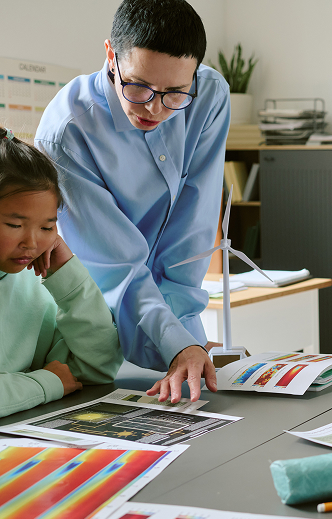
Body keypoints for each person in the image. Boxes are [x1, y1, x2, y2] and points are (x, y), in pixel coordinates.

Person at [35, 0, 230, 403]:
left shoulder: (208, 96)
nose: (155, 108)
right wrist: (174, 341)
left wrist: (184, 340)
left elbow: (192, 230)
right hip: (100, 324)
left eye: (176, 92)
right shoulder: (67, 131)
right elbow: (115, 267)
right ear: (110, 55)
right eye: (139, 86)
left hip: (176, 316)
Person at [0, 127, 122, 417]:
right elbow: (58, 378)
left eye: (46, 227)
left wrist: (68, 274)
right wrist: (46, 383)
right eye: (15, 225)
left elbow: (96, 369)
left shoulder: (35, 286)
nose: (31, 243)